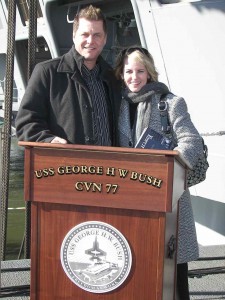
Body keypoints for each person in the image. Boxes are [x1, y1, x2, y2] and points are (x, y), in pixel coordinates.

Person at [115, 46, 204, 300]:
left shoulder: (171, 103)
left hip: (168, 199)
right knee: (142, 270)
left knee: (174, 273)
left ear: (150, 73)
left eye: (140, 71)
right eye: (129, 71)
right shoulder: (119, 104)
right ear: (122, 74)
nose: (134, 77)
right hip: (134, 201)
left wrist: (166, 165)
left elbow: (192, 142)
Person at [15, 5, 121, 146]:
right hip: (67, 166)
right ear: (74, 36)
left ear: (105, 39)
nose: (90, 41)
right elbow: (25, 123)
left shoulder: (113, 77)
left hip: (108, 166)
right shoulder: (47, 73)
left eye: (97, 35)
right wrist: (48, 140)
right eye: (85, 34)